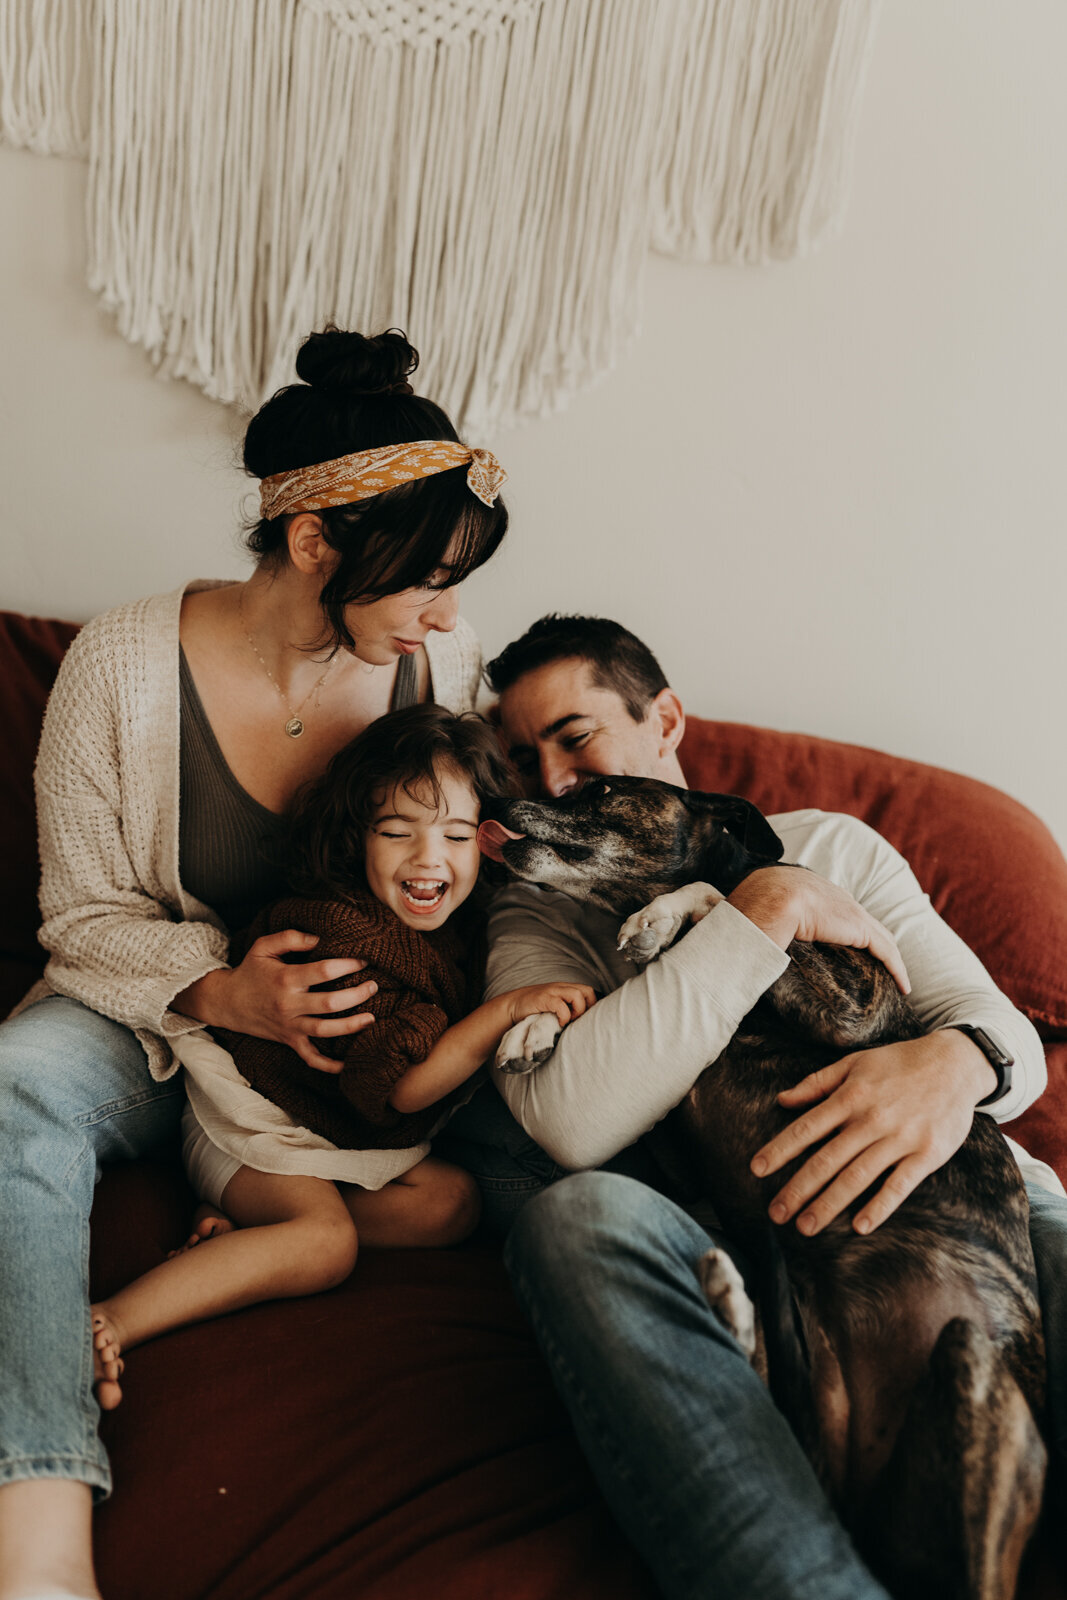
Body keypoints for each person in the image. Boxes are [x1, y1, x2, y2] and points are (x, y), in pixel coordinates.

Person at [0, 326, 509, 1600]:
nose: (446, 611)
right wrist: (229, 991)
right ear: (311, 541)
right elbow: (79, 916)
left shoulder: (436, 667)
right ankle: (42, 1532)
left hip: (332, 1066)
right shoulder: (119, 666)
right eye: (425, 577)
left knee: (495, 1177)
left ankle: (255, 1208)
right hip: (153, 1019)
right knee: (11, 1086)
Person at [475, 613, 1067, 1600]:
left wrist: (950, 1064)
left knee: (1049, 1206)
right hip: (749, 1250)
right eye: (517, 760)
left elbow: (997, 1034)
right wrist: (761, 913)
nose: (547, 780)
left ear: (663, 718)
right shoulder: (540, 909)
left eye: (573, 737)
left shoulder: (824, 844)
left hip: (951, 1216)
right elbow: (570, 1121)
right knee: (571, 1220)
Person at [88, 704, 594, 1405]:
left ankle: (246, 1241)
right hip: (253, 1127)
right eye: (396, 832)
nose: (428, 858)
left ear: (488, 843)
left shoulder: (457, 930)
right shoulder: (339, 939)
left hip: (327, 1130)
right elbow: (404, 1089)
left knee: (451, 1204)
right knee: (325, 1244)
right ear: (357, 838)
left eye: (455, 835)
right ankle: (112, 1321)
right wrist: (502, 1014)